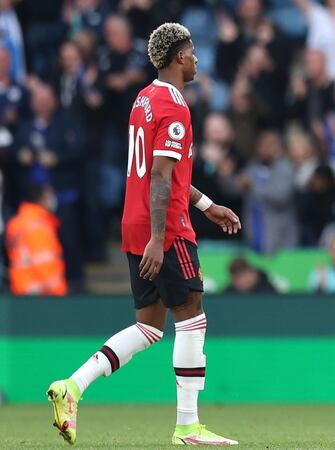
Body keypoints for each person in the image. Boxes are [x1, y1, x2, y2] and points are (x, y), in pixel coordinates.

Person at [46, 23, 240, 446]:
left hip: (135, 222)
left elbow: (168, 173)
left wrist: (208, 206)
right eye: (191, 52)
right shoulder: (175, 107)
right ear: (177, 58)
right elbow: (161, 175)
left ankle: (72, 387)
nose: (196, 59)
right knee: (193, 319)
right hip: (166, 228)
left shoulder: (144, 99)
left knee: (150, 326)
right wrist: (159, 237)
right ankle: (188, 425)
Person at [5, 183, 66, 296]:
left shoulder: (16, 222)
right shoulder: (38, 225)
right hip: (41, 293)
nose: (52, 199)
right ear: (40, 199)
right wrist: (59, 291)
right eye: (49, 195)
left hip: (20, 288)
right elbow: (44, 262)